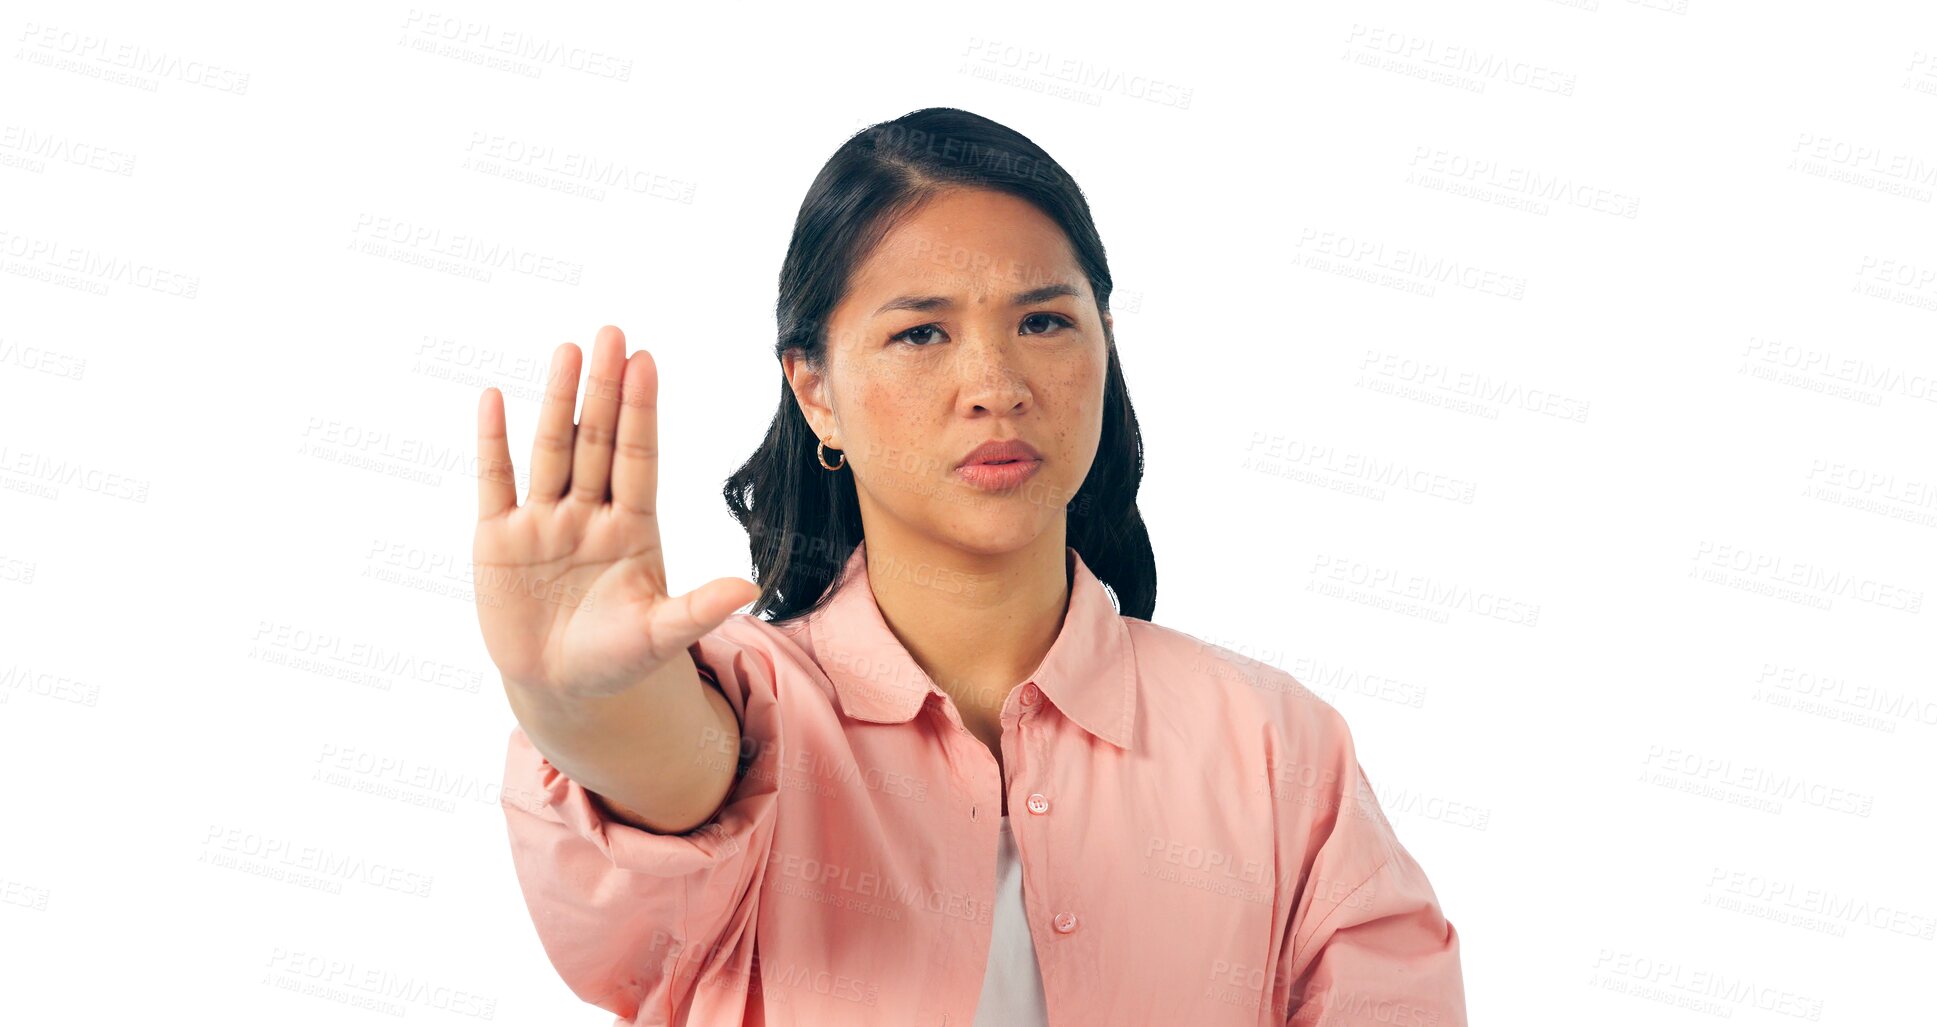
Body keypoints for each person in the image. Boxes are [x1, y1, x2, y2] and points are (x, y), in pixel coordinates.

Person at [472, 107, 1467, 1026]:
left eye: (1043, 321)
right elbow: (672, 767)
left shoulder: (1271, 741)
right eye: (921, 333)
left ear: (1104, 348)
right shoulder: (752, 700)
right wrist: (576, 703)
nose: (994, 384)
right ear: (815, 389)